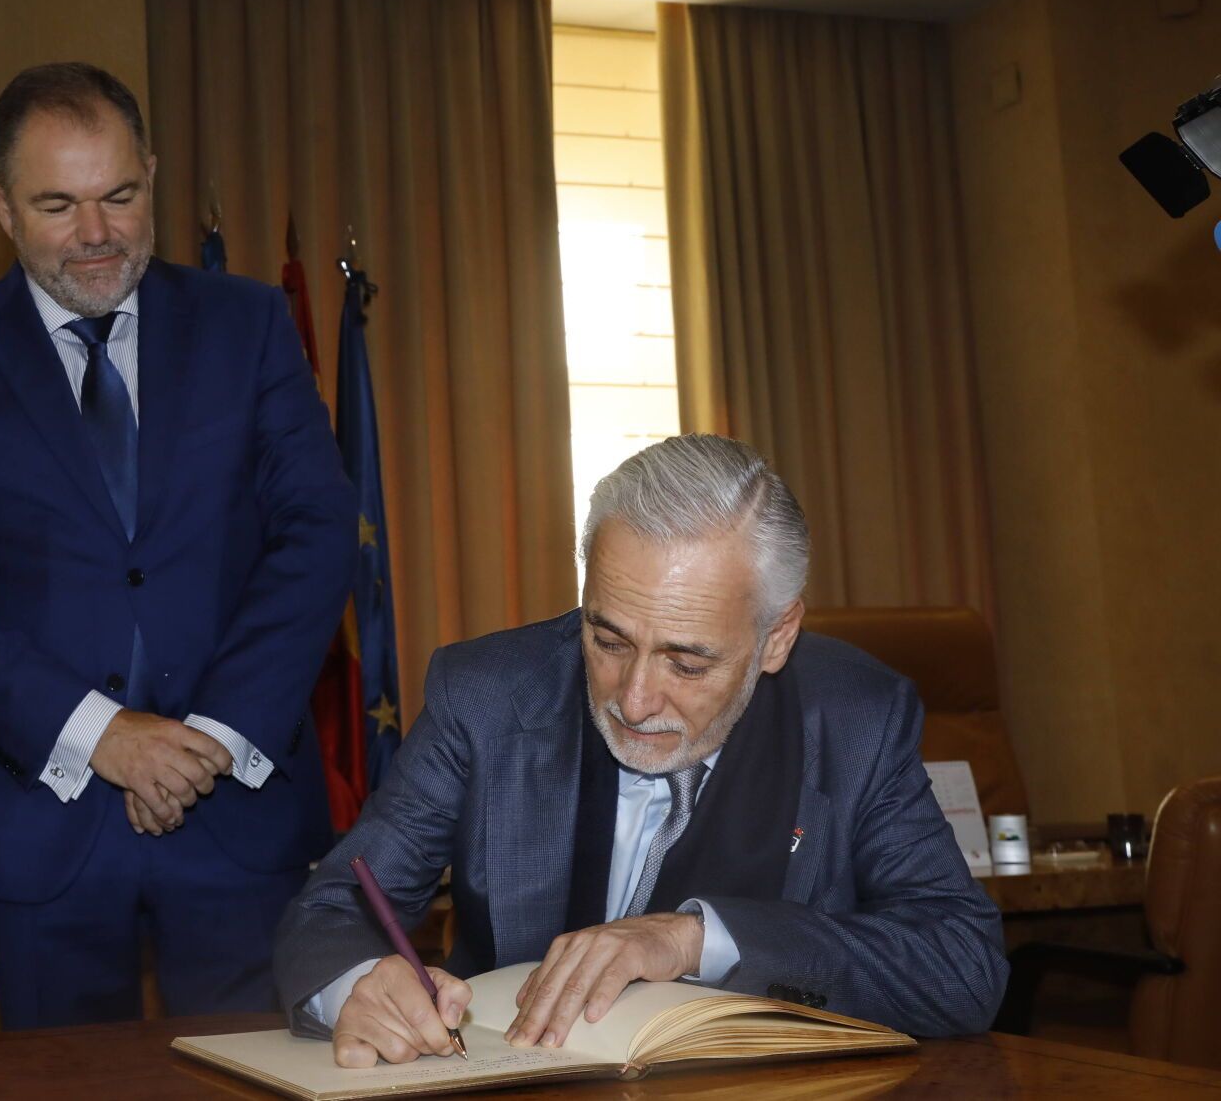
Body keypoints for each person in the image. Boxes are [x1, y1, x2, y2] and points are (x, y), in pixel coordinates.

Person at [0, 62, 356, 1029]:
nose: (96, 233)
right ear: (2, 208)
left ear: (154, 179)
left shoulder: (248, 325)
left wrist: (208, 740)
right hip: (38, 820)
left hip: (238, 812)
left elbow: (317, 530)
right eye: (59, 204)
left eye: (120, 196)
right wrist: (104, 735)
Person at [275, 434, 1009, 1065]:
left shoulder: (853, 717)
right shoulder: (488, 695)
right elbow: (337, 904)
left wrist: (695, 938)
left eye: (687, 663)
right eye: (608, 638)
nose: (634, 698)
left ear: (776, 636)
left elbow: (963, 963)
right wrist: (360, 984)